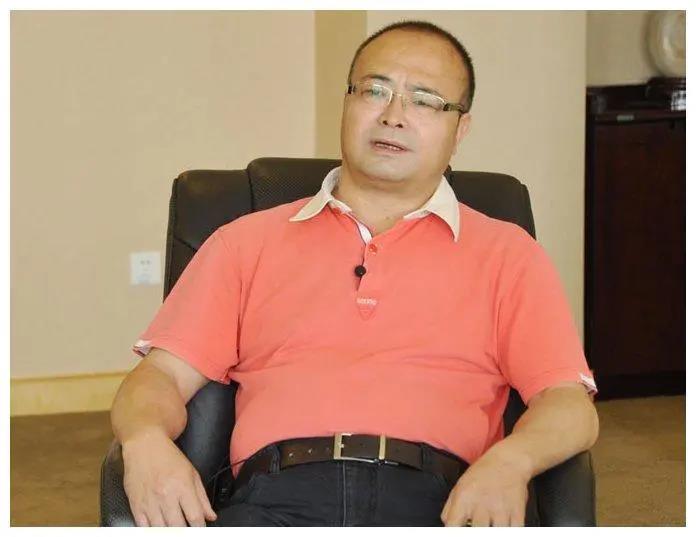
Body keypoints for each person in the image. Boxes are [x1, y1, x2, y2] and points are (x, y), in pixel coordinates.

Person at [110, 20, 599, 527]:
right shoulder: (244, 242)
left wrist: (512, 462)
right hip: (275, 502)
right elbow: (160, 376)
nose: (393, 116)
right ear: (346, 103)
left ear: (460, 130)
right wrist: (144, 441)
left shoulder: (508, 254)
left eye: (425, 100)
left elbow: (568, 404)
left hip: (441, 506)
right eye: (374, 91)